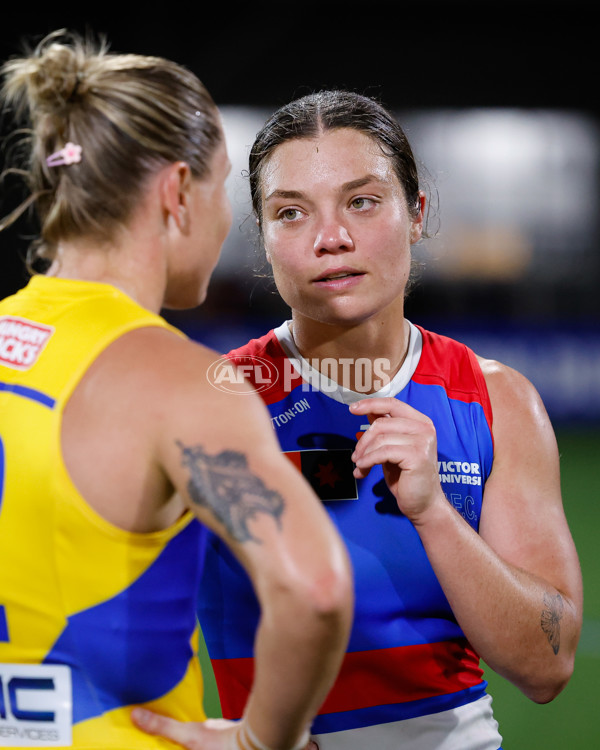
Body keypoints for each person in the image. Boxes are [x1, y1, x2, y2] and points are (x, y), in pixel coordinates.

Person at [137, 90, 583, 750]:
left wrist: (434, 512)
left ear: (417, 214)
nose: (331, 238)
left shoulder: (498, 400)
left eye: (362, 201)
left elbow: (548, 665)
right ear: (263, 237)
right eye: (291, 212)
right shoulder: (213, 399)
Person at [0, 35, 354, 750]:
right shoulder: (184, 381)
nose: (229, 222)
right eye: (222, 189)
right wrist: (263, 741)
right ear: (174, 193)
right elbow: (314, 590)